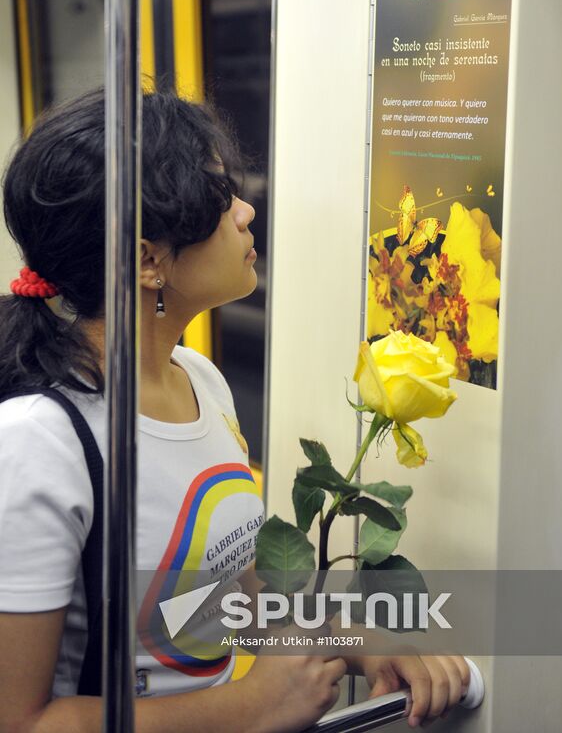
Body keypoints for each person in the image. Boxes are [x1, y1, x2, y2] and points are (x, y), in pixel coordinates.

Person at [0, 89, 469, 732]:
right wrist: (249, 707)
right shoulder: (38, 443)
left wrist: (344, 637)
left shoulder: (198, 379)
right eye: (221, 202)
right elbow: (22, 722)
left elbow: (220, 585)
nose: (247, 212)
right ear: (146, 260)